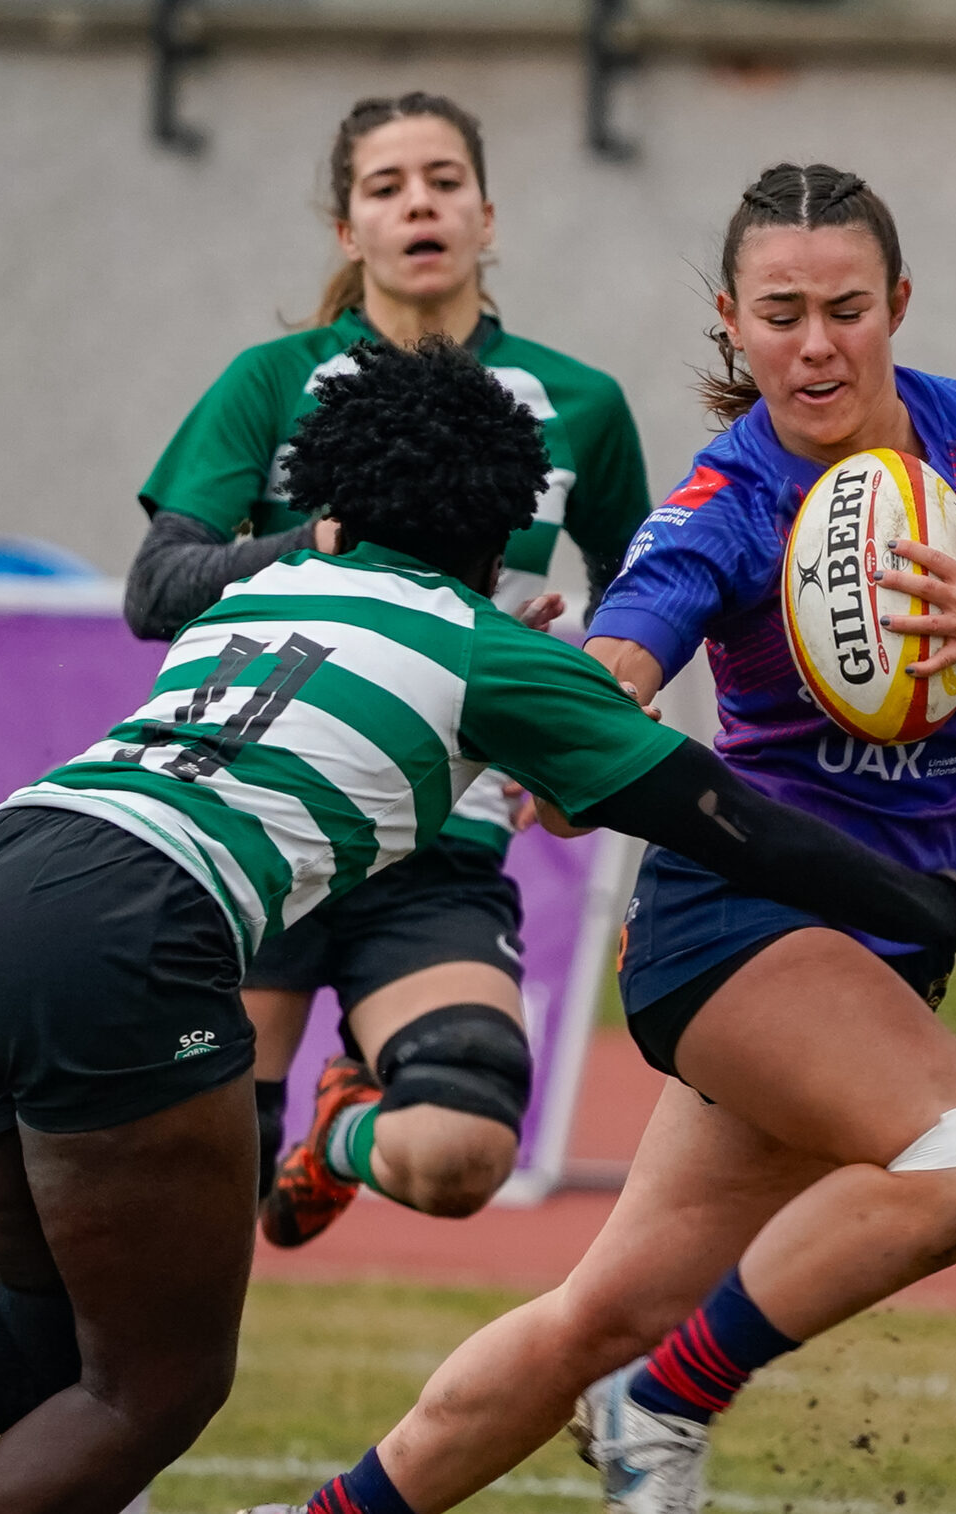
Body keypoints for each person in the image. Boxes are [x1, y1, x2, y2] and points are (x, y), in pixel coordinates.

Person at [258, 162, 956, 1514]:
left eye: (844, 308)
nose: (814, 345)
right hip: (736, 921)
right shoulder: (726, 498)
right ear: (732, 317)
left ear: (898, 303)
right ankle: (664, 1400)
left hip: (879, 945)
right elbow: (626, 661)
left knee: (602, 1306)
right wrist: (566, 712)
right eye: (779, 313)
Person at [0, 336, 956, 1514]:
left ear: (333, 510)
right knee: (155, 1388)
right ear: (503, 537)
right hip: (129, 927)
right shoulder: (483, 646)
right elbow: (717, 813)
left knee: (46, 1361)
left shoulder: (266, 588)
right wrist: (919, 900)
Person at [122, 91, 653, 1246]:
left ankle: (345, 1131)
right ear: (345, 228)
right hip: (257, 824)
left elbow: (650, 592)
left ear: (486, 214)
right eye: (385, 185)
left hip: (441, 831)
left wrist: (583, 698)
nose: (420, 202)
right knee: (208, 1203)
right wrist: (320, 542)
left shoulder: (581, 405)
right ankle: (286, 1149)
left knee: (461, 1145)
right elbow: (154, 593)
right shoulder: (272, 382)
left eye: (444, 180)